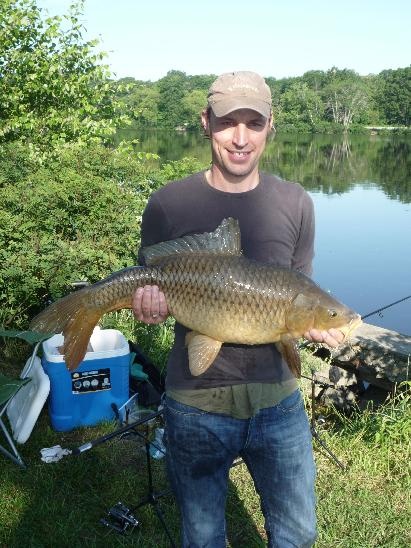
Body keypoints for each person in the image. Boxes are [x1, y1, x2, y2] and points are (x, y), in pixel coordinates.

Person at [133, 71, 344, 548]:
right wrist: (148, 308)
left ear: (271, 126)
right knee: (203, 536)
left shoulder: (296, 203)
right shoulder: (168, 203)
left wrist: (317, 325)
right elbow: (148, 283)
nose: (241, 138)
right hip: (196, 404)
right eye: (229, 122)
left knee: (299, 533)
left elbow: (301, 290)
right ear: (206, 123)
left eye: (255, 123)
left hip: (279, 403)